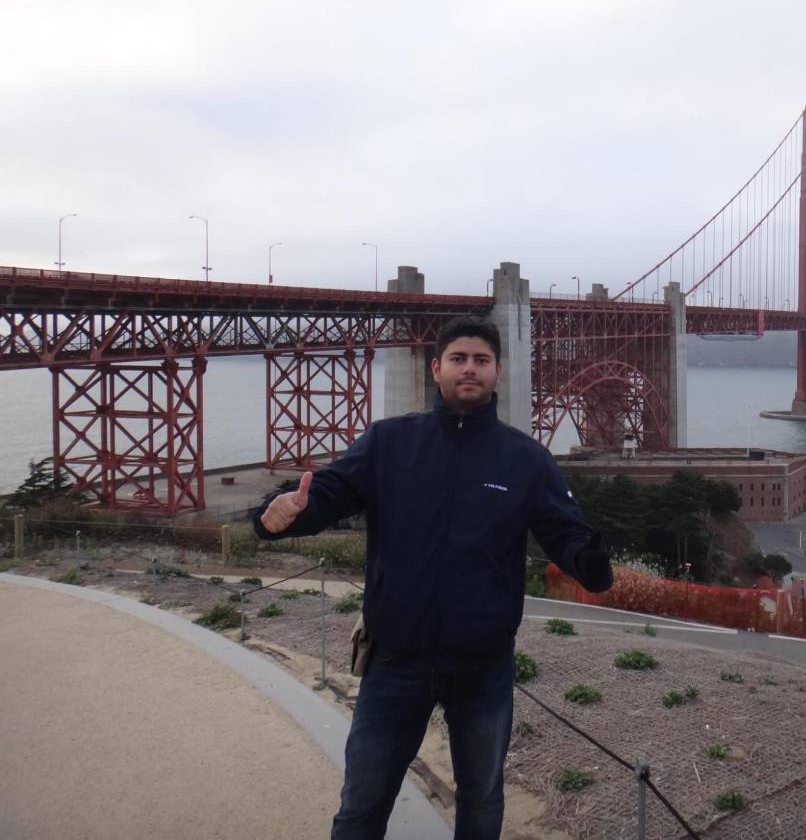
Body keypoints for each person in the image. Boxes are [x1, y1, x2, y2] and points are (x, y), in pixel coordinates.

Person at [254, 316, 614, 840]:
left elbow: (565, 533)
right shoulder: (389, 442)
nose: (470, 369)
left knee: (483, 803)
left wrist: (591, 563)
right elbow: (326, 495)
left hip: (482, 667)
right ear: (436, 368)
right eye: (459, 359)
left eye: (481, 361)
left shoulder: (526, 459)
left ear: (498, 372)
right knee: (361, 805)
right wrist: (278, 515)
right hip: (395, 660)